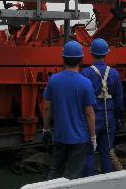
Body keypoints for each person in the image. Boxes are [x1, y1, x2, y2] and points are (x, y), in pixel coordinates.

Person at [41, 40, 97, 180]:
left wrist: (46, 129)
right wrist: (93, 137)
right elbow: (89, 113)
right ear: (81, 59)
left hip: (60, 136)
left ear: (63, 58)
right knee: (74, 175)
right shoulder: (86, 83)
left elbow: (47, 107)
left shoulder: (53, 80)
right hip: (80, 138)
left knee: (55, 172)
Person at [82, 37, 124, 176]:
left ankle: (88, 181)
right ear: (106, 53)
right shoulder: (114, 73)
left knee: (89, 152)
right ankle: (108, 181)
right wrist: (118, 118)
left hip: (91, 119)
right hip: (109, 118)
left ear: (91, 53)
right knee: (107, 152)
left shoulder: (86, 73)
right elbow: (119, 99)